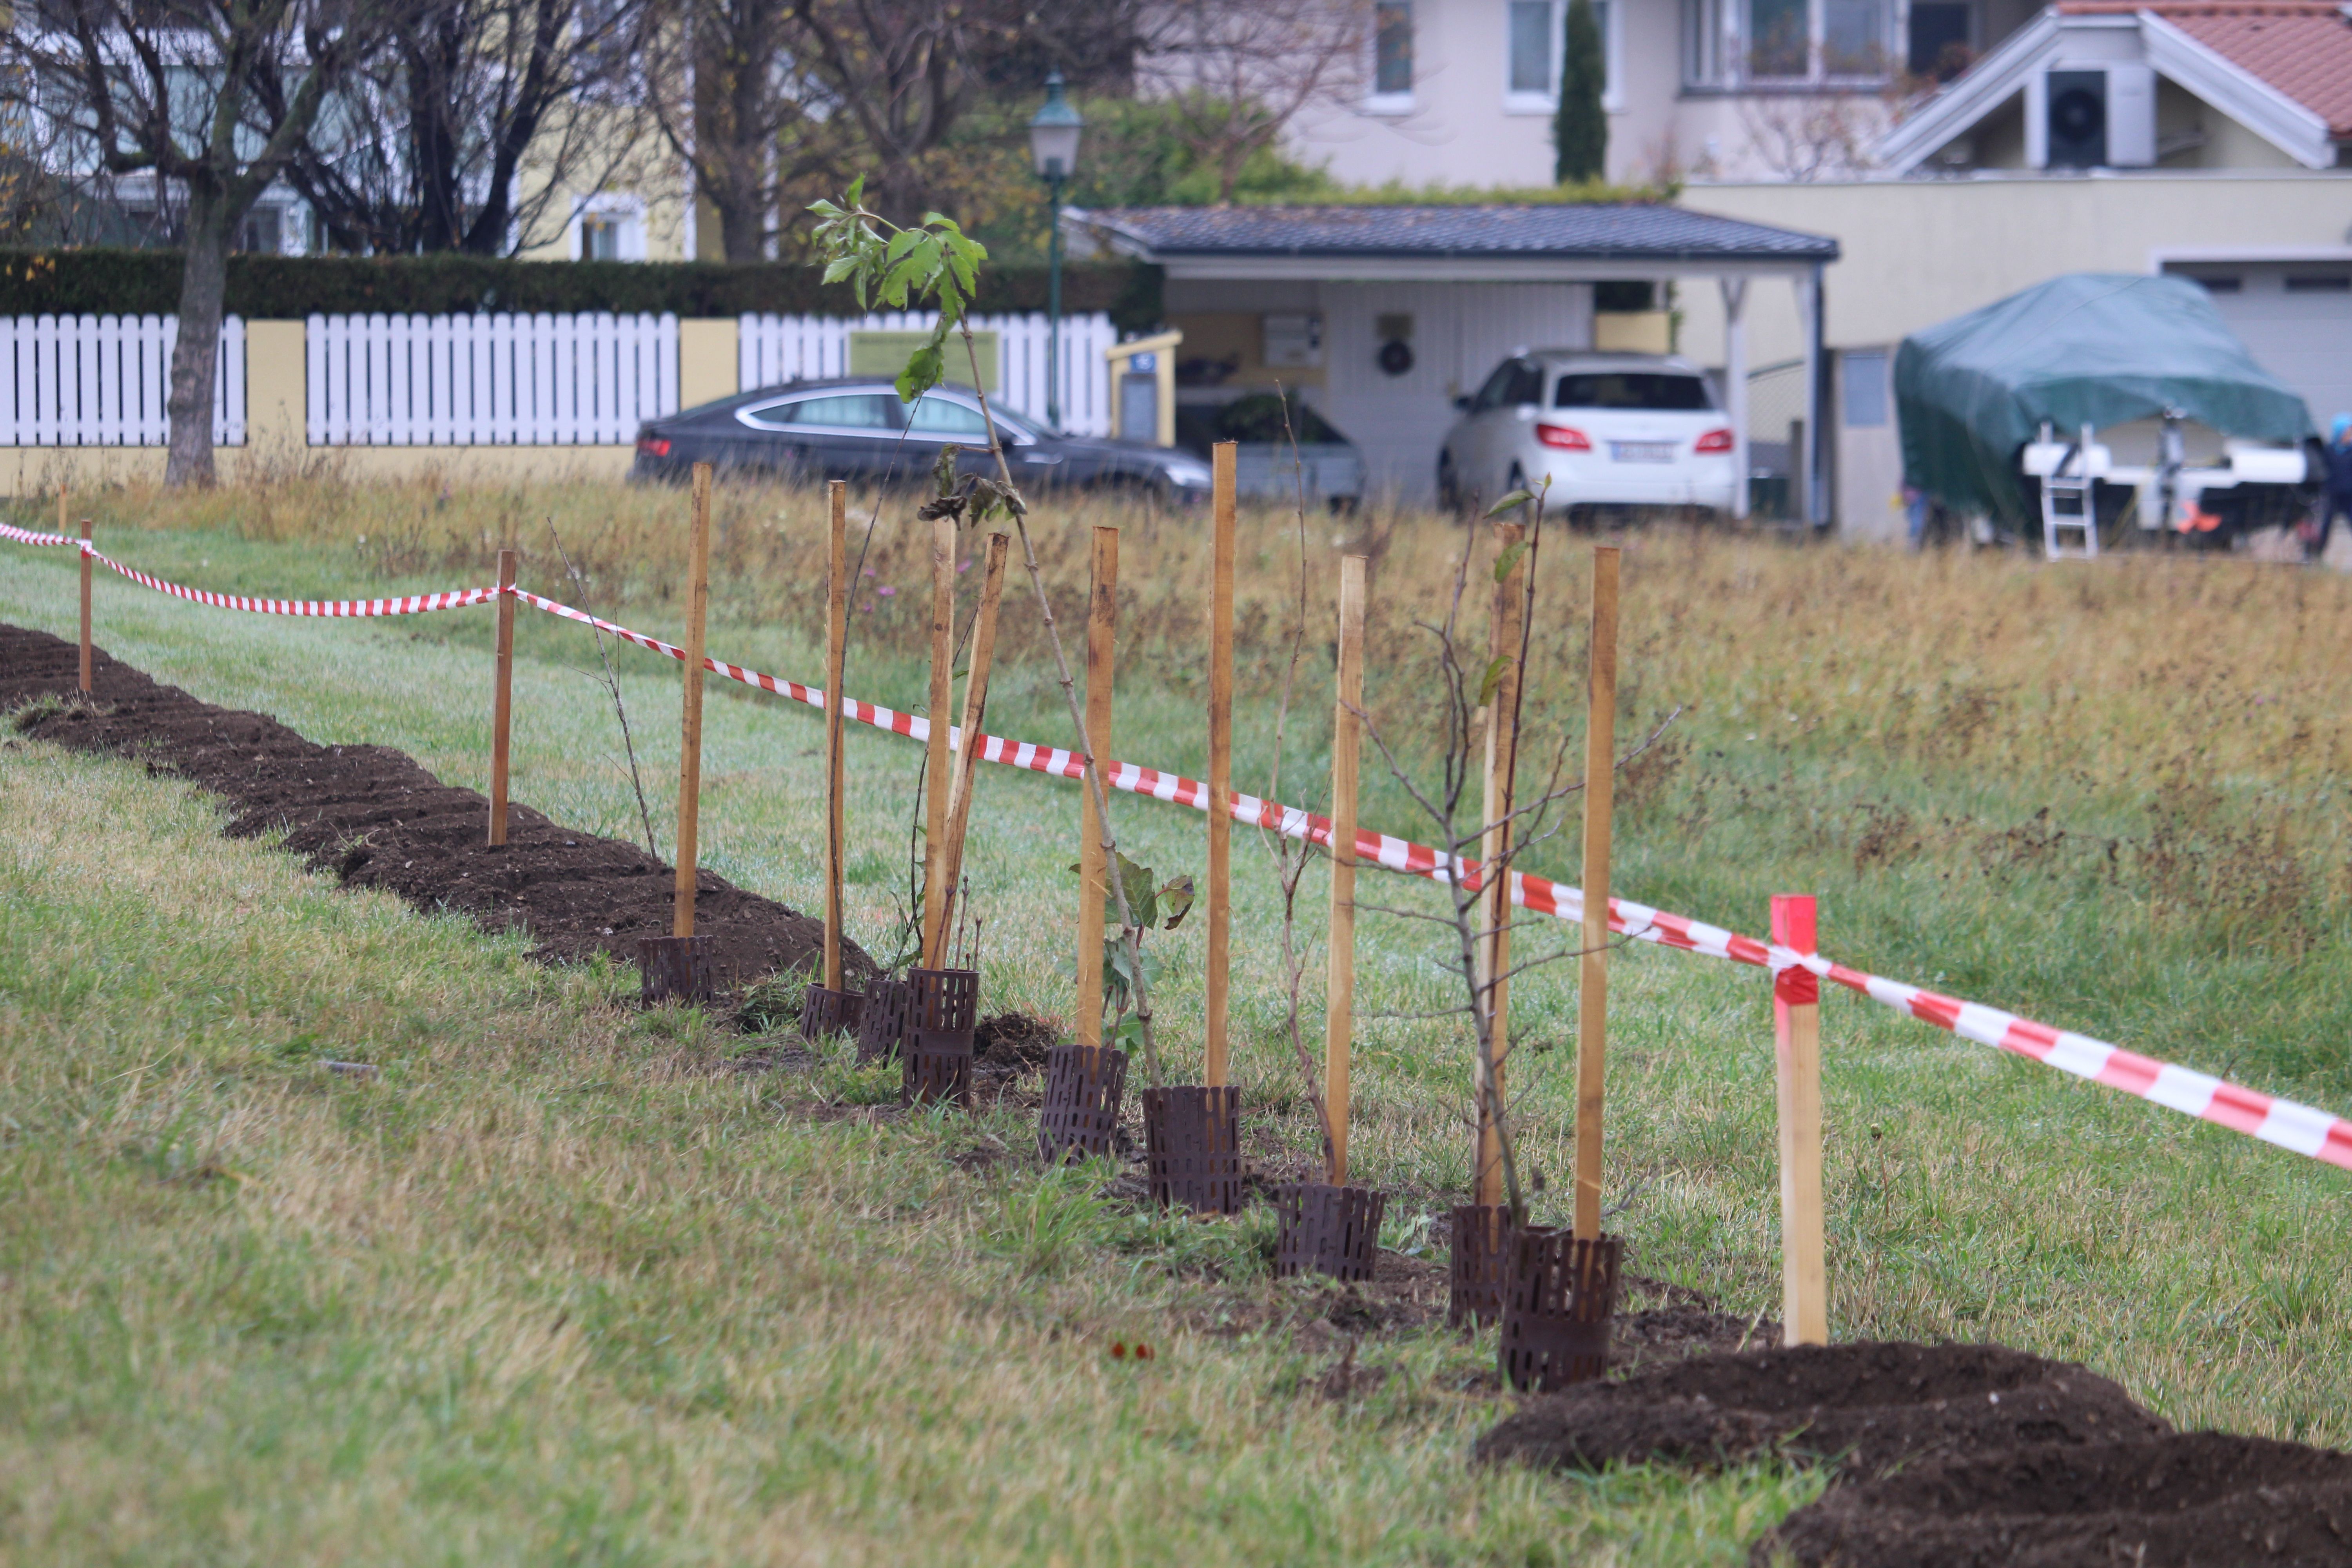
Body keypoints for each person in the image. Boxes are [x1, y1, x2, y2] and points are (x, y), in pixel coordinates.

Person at [2315, 414, 2352, 563]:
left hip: (2349, 497)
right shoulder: (2328, 451)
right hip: (2331, 495)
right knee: (2325, 526)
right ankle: (2315, 555)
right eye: (2348, 431)